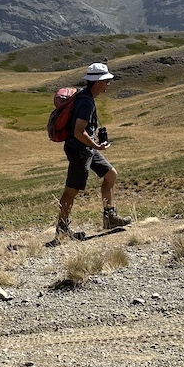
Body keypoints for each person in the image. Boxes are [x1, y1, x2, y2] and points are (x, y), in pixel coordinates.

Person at [56, 62, 132, 240]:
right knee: (71, 190)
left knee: (110, 174)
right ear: (98, 82)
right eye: (106, 81)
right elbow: (78, 131)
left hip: (86, 148)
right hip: (79, 150)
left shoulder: (85, 97)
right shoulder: (86, 102)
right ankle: (62, 229)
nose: (108, 85)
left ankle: (109, 217)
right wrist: (97, 146)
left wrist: (93, 145)